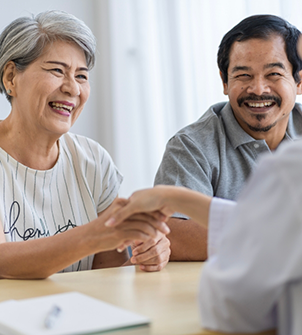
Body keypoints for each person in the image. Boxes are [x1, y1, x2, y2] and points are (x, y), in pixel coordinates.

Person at [0, 10, 171, 279]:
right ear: (11, 77)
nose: (73, 89)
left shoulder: (93, 159)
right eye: (57, 70)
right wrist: (93, 235)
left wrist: (146, 255)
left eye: (81, 76)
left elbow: (107, 273)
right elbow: (3, 262)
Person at [107, 138, 302, 334]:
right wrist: (173, 199)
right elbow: (268, 229)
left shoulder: (290, 166)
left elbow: (235, 307)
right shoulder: (190, 144)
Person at [154, 14, 302, 261]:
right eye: (243, 75)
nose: (258, 89)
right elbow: (174, 234)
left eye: (273, 74)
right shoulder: (190, 146)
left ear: (299, 81)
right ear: (224, 81)